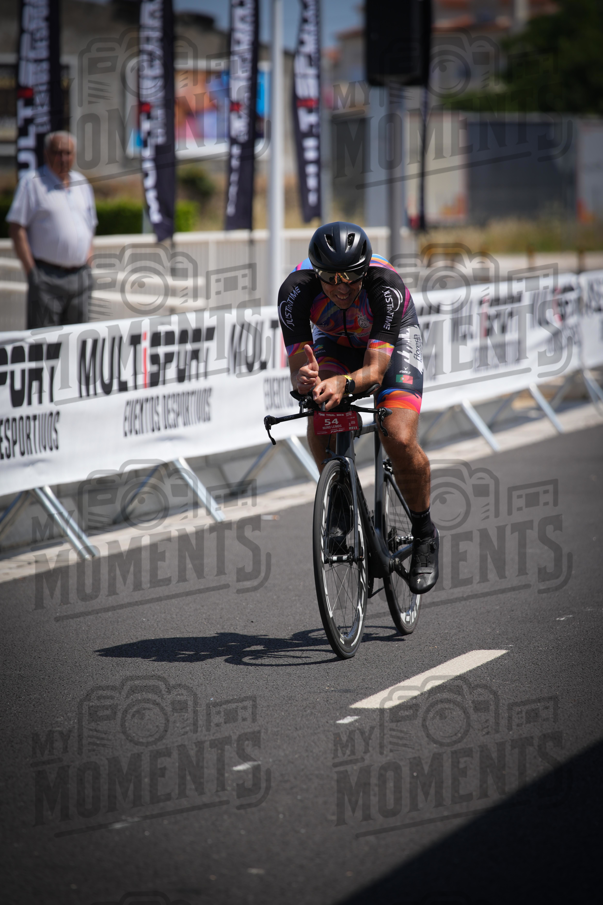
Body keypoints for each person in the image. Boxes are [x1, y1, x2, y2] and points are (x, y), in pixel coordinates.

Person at [277, 221, 439, 595]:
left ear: (364, 270)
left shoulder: (385, 286)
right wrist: (306, 379)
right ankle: (340, 501)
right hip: (334, 341)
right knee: (320, 415)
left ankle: (425, 530)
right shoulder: (294, 293)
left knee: (396, 435)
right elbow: (301, 364)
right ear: (316, 273)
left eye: (351, 277)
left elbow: (376, 371)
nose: (342, 287)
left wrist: (346, 383)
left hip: (389, 346)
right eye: (330, 279)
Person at [7, 131, 97, 329]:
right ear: (47, 153)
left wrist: (89, 266)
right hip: (47, 277)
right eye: (58, 152)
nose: (63, 158)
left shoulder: (82, 184)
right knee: (44, 345)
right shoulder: (32, 183)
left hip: (79, 277)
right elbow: (16, 228)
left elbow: (89, 228)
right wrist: (32, 272)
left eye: (68, 153)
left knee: (77, 342)